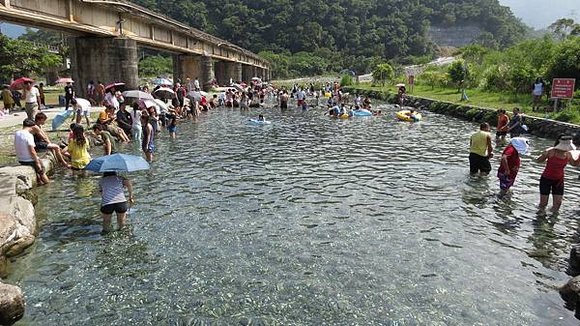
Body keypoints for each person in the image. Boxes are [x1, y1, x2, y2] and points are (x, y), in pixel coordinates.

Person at [536, 135, 576, 213]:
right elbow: (538, 161)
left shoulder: (568, 154)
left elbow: (574, 164)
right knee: (543, 203)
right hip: (546, 179)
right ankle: (540, 218)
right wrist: (543, 154)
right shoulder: (551, 151)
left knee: (558, 204)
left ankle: (552, 220)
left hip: (559, 180)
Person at [14, 119, 50, 185]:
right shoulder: (29, 135)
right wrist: (37, 162)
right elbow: (32, 151)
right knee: (41, 170)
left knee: (39, 161)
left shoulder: (17, 133)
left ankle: (39, 181)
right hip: (28, 159)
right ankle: (48, 184)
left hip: (20, 159)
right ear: (33, 127)